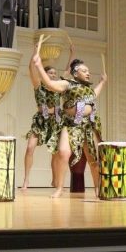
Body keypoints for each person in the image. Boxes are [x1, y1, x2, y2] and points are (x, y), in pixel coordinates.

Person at [33, 54, 107, 198]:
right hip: (70, 124)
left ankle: (98, 189)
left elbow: (94, 95)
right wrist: (39, 66)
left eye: (88, 71)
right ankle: (59, 188)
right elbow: (49, 84)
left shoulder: (88, 89)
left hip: (87, 126)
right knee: (63, 152)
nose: (88, 73)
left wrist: (102, 82)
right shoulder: (68, 84)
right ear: (75, 73)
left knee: (92, 159)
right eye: (84, 70)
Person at [21, 44, 67, 190]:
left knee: (55, 153)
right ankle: (26, 180)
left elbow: (67, 72)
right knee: (30, 148)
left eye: (54, 73)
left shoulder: (58, 87)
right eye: (51, 73)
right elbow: (31, 69)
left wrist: (72, 54)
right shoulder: (38, 86)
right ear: (45, 75)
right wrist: (35, 52)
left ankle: (55, 180)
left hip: (56, 120)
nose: (53, 75)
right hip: (41, 120)